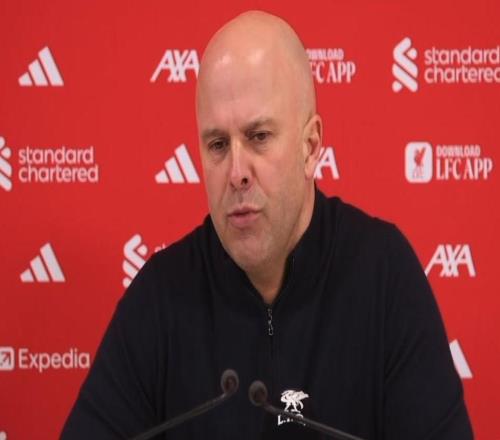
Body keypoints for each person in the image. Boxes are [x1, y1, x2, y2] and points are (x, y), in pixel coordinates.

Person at [61, 11, 473, 439]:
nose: (237, 172)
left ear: (310, 147)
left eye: (258, 137)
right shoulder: (160, 297)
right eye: (218, 145)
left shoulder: (384, 274)